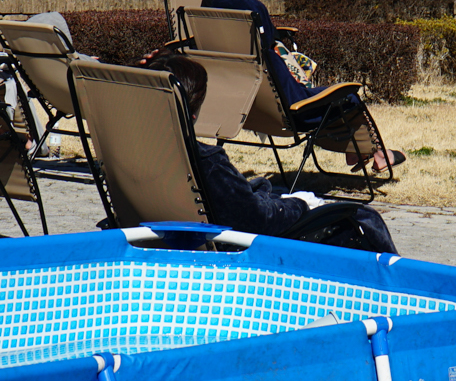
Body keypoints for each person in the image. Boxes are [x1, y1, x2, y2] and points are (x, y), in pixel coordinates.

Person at [157, 55, 397, 254]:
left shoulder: (130, 153)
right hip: (240, 250)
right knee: (364, 219)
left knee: (276, 193)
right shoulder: (207, 164)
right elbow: (259, 220)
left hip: (168, 241)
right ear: (194, 114)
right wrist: (300, 204)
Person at [204, 0, 403, 174]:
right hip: (297, 114)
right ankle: (376, 153)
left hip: (253, 113)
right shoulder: (269, 59)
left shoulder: (236, 60)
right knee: (348, 95)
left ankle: (361, 151)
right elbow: (298, 95)